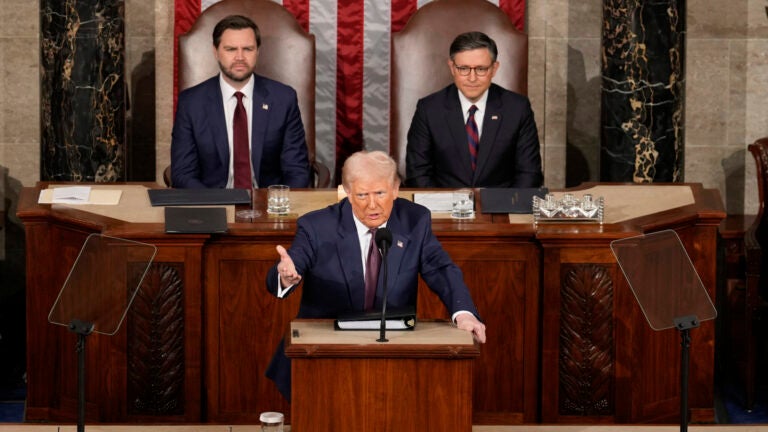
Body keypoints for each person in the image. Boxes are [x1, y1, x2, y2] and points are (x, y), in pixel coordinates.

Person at [265, 150, 487, 400]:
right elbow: (293, 262)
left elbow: (440, 268)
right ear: (347, 192)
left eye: (380, 193)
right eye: (362, 195)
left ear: (395, 188)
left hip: (394, 353)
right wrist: (285, 276)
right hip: (325, 355)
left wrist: (464, 313)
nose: (372, 205)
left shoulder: (415, 220)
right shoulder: (317, 226)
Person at [171, 15, 310, 189]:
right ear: (216, 52)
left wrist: (279, 204)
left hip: (270, 205)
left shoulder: (283, 98)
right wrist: (213, 205)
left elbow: (297, 170)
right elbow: (183, 173)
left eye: (248, 49)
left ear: (257, 52)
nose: (240, 57)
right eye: (230, 49)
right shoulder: (191, 103)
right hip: (213, 205)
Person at [405, 31, 543, 188]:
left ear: (494, 68)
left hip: (501, 208)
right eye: (463, 68)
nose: (472, 78)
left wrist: (511, 208)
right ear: (452, 67)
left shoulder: (517, 108)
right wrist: (439, 208)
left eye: (481, 69)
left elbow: (529, 173)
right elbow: (418, 173)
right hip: (444, 208)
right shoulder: (429, 109)